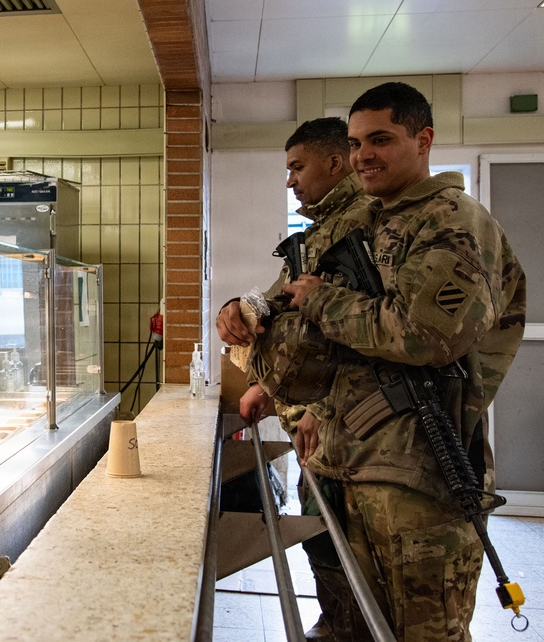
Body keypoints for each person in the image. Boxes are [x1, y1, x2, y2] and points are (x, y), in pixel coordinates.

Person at [284, 82, 526, 641]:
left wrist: (321, 298)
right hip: (354, 457)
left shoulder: (455, 223)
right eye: (355, 141)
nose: (362, 155)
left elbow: (422, 336)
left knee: (424, 632)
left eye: (381, 139)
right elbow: (349, 341)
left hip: (421, 475)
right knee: (357, 624)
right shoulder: (368, 221)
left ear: (424, 140)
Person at [217, 117, 375, 641]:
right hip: (318, 428)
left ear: (334, 163)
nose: (290, 181)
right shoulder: (317, 236)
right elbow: (282, 304)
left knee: (356, 550)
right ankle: (336, 625)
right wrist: (241, 307)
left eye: (297, 167)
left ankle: (348, 627)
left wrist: (322, 408)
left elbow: (376, 337)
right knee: (323, 536)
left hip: (357, 431)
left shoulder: (371, 224)